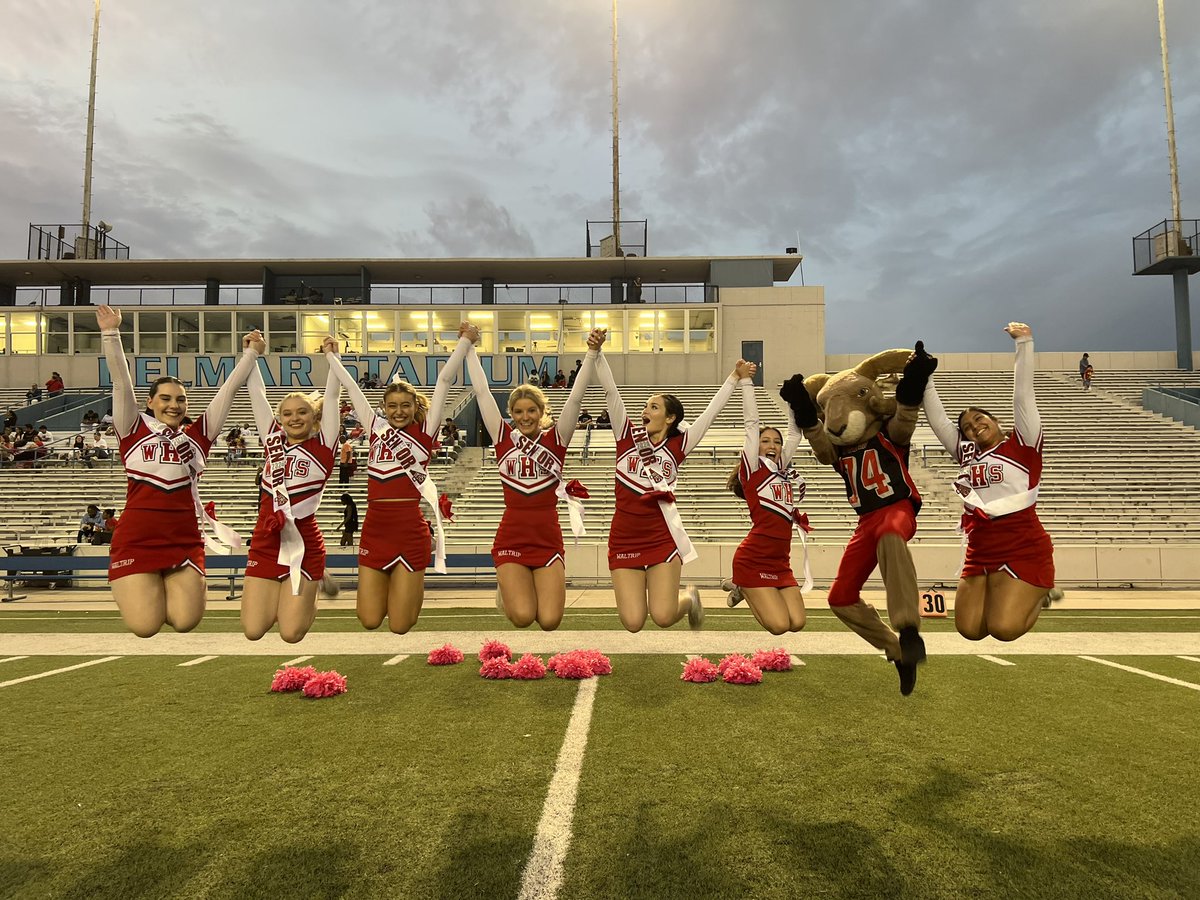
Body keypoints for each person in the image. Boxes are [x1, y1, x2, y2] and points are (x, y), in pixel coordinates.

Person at [98, 304, 263, 638]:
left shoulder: (199, 437)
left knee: (185, 621)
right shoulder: (132, 428)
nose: (174, 405)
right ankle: (140, 588)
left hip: (184, 538)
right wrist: (111, 334)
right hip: (138, 538)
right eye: (166, 398)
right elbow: (120, 383)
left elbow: (227, 393)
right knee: (145, 627)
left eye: (181, 399)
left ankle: (155, 590)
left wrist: (250, 354)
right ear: (150, 402)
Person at [593, 337, 748, 632]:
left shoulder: (679, 446)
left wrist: (733, 378)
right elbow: (610, 392)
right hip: (624, 540)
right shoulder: (626, 437)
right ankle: (681, 599)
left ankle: (689, 599)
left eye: (653, 407)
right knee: (633, 623)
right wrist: (597, 353)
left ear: (670, 417)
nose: (645, 411)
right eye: (645, 406)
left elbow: (710, 415)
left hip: (661, 539)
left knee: (663, 617)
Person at [325, 326, 472, 634]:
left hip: (409, 530)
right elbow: (351, 388)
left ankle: (406, 592)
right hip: (375, 529)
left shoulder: (425, 431)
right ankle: (393, 589)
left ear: (415, 406)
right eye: (392, 406)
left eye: (405, 405)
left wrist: (463, 342)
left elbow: (444, 380)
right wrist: (332, 356)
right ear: (384, 408)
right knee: (369, 620)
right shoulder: (375, 425)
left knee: (401, 625)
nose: (399, 411)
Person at [923, 322, 1061, 642]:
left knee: (1003, 629)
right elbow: (940, 422)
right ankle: (1016, 593)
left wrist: (1023, 343)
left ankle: (1041, 592)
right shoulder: (967, 453)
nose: (974, 427)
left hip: (1021, 544)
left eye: (979, 419)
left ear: (995, 420)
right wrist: (926, 378)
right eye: (968, 426)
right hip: (980, 547)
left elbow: (1023, 396)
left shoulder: (1022, 445)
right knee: (970, 630)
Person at [464, 323, 600, 630]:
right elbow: (483, 392)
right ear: (511, 414)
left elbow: (576, 399)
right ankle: (508, 590)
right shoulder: (502, 437)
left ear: (542, 412)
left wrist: (591, 353)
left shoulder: (557, 439)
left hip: (547, 535)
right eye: (518, 412)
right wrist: (470, 348)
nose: (525, 417)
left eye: (531, 411)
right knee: (524, 618)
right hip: (512, 534)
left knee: (550, 621)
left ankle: (514, 590)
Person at [240, 338, 342, 643]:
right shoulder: (272, 441)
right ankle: (311, 583)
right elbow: (256, 393)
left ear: (313, 418)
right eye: (287, 414)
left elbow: (334, 397)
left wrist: (332, 358)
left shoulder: (323, 447)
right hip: (266, 539)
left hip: (304, 540)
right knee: (253, 630)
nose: (294, 418)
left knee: (290, 633)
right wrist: (251, 353)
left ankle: (313, 583)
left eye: (301, 412)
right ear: (280, 419)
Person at [722, 367, 810, 635]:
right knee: (779, 626)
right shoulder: (752, 469)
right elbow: (751, 423)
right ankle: (743, 586)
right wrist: (746, 381)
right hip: (753, 559)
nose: (772, 445)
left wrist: (795, 400)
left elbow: (795, 434)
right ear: (756, 446)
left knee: (797, 623)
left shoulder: (782, 468)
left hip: (780, 561)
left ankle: (740, 586)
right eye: (765, 441)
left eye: (776, 442)